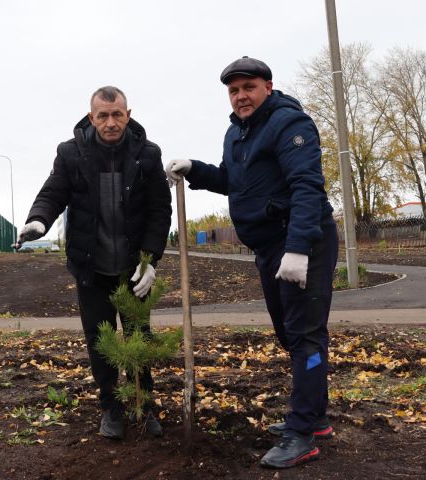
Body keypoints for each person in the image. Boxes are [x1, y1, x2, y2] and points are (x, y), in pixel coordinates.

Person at [166, 57, 338, 469]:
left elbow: (306, 186)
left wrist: (298, 248)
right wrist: (196, 170)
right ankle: (315, 416)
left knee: (305, 337)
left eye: (249, 87)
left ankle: (302, 434)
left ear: (268, 86)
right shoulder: (237, 133)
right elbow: (232, 180)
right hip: (267, 247)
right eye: (234, 90)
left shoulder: (289, 124)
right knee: (291, 334)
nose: (241, 96)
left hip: (301, 242)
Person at [16, 86, 172, 440]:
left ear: (128, 114)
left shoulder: (147, 154)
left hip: (134, 270)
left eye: (117, 114)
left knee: (139, 338)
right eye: (103, 115)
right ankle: (111, 408)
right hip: (92, 268)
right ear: (91, 118)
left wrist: (151, 260)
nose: (111, 122)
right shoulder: (72, 154)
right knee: (99, 341)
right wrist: (39, 220)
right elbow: (53, 191)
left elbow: (160, 210)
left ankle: (144, 404)